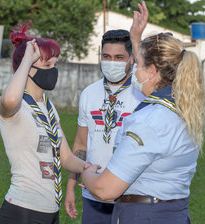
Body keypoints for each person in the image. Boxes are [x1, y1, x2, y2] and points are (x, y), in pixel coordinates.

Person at [81, 1, 205, 224]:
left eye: (137, 64)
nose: (135, 72)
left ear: (152, 71)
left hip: (145, 216)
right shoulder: (182, 109)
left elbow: (105, 190)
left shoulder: (150, 120)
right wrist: (136, 38)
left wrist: (87, 175)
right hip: (173, 212)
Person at [0, 23, 87, 224]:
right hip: (22, 211)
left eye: (55, 64)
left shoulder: (48, 106)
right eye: (47, 66)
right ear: (27, 68)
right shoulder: (16, 105)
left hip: (50, 210)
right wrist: (26, 59)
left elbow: (66, 158)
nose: (53, 71)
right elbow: (9, 101)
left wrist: (87, 168)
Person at [64, 29, 145, 223]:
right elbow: (81, 145)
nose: (111, 62)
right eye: (106, 56)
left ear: (131, 58)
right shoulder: (89, 94)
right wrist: (70, 187)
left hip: (131, 195)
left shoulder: (142, 94)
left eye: (119, 57)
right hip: (93, 195)